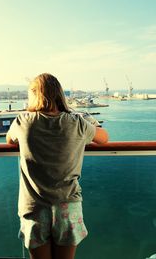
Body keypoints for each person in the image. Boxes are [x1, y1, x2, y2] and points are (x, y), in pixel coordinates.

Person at [6, 73, 108, 259]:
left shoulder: (23, 121)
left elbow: (9, 141)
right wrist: (87, 119)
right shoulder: (77, 122)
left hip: (34, 206)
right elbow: (103, 139)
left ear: (34, 95)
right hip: (67, 206)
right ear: (60, 95)